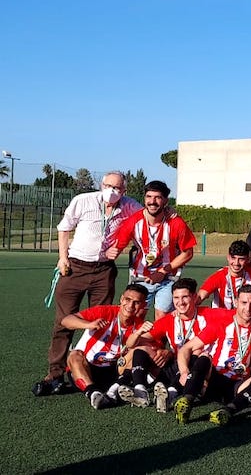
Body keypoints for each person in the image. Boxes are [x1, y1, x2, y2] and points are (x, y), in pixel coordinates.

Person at [34, 171, 143, 396]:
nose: (112, 191)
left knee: (101, 322)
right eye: (108, 185)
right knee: (64, 322)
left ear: (124, 191)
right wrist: (62, 258)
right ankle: (55, 373)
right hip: (75, 266)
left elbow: (148, 216)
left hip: (104, 270)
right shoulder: (83, 200)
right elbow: (64, 228)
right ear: (101, 184)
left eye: (117, 188)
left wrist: (121, 247)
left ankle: (95, 367)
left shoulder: (130, 205)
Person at [173, 285, 251, 426]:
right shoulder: (221, 323)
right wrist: (184, 372)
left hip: (237, 386)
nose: (248, 308)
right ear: (236, 302)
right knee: (204, 357)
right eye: (244, 303)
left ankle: (227, 411)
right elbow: (186, 348)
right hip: (213, 379)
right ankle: (187, 400)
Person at [120, 278, 225, 411]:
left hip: (200, 369)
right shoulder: (169, 319)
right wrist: (138, 333)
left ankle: (171, 394)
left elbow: (239, 315)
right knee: (141, 349)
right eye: (176, 297)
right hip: (176, 365)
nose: (180, 302)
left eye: (185, 297)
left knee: (197, 352)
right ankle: (140, 390)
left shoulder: (210, 314)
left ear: (194, 297)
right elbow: (130, 344)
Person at [107, 180, 196, 320]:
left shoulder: (176, 222)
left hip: (168, 278)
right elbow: (117, 246)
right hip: (141, 278)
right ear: (144, 199)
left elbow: (188, 253)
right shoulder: (133, 222)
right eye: (149, 197)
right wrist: (112, 251)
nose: (152, 201)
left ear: (165, 201)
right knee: (134, 317)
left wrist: (163, 271)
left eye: (158, 197)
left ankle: (159, 342)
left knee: (162, 319)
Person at [62, 284, 149, 409]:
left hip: (114, 371)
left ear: (143, 305)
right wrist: (89, 324)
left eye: (136, 302)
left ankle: (115, 389)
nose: (130, 306)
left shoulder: (140, 326)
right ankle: (93, 393)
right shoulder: (104, 312)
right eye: (128, 300)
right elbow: (66, 321)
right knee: (74, 355)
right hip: (87, 370)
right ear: (121, 299)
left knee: (139, 351)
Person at [198, 240, 251, 309]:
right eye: (233, 258)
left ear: (248, 259)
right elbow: (201, 296)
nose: (236, 263)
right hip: (221, 322)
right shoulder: (219, 276)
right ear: (228, 257)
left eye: (241, 259)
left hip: (245, 320)